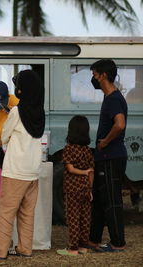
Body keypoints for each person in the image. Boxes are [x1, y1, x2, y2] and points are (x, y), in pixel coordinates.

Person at [0, 70, 45, 259]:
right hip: (33, 170)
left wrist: (10, 116)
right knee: (27, 212)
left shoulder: (16, 111)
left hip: (16, 170)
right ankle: (25, 248)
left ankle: (0, 251)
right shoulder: (40, 112)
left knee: (6, 212)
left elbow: (3, 137)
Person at [87, 59, 128, 253]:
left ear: (103, 75)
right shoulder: (110, 97)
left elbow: (119, 124)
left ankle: (117, 242)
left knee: (111, 200)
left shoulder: (113, 98)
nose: (93, 78)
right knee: (101, 200)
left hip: (112, 156)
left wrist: (105, 142)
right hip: (105, 157)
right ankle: (93, 240)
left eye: (95, 74)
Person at [56, 115, 94, 256]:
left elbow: (70, 169)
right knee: (85, 219)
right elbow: (91, 172)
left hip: (72, 189)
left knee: (73, 219)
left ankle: (73, 248)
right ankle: (83, 246)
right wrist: (90, 188)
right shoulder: (88, 150)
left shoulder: (69, 149)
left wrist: (82, 172)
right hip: (85, 189)